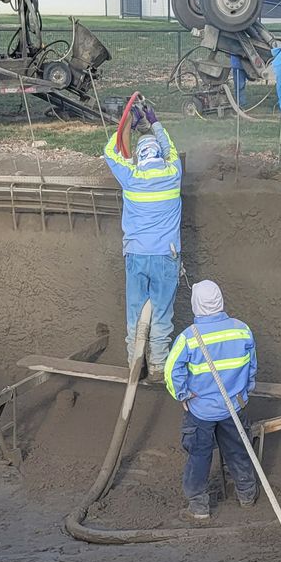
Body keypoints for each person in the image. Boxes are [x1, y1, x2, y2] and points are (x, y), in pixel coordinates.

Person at [162, 280, 259, 523]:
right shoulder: (242, 330)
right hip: (233, 408)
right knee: (238, 451)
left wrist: (182, 394)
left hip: (201, 411)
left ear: (196, 305)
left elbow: (171, 371)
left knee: (199, 456)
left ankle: (199, 508)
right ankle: (247, 496)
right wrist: (244, 393)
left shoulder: (188, 338)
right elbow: (252, 367)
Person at [102, 102, 182, 372]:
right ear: (158, 154)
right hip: (166, 256)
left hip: (136, 255)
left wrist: (126, 124)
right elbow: (171, 149)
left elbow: (110, 152)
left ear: (139, 156)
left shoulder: (132, 176)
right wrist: (154, 121)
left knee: (135, 312)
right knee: (161, 314)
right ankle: (158, 366)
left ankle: (134, 363)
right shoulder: (173, 174)